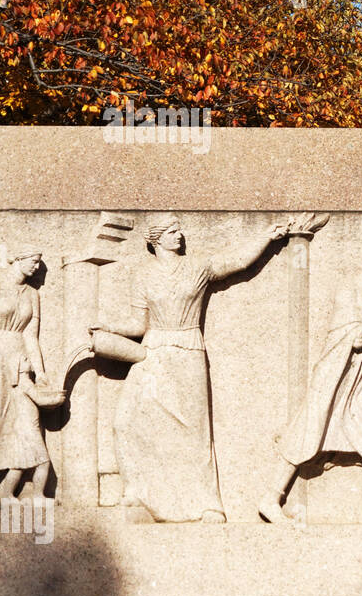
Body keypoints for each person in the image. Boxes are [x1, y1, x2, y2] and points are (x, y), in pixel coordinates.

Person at [92, 214, 290, 522]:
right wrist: (107, 326)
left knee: (193, 433)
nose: (179, 235)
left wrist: (267, 236)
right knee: (126, 422)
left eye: (179, 230)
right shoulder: (142, 275)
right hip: (154, 352)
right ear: (155, 239)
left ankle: (206, 505)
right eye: (172, 231)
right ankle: (136, 494)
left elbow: (236, 261)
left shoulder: (197, 267)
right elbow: (138, 324)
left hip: (188, 351)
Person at [260, 250, 362, 524]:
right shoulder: (350, 292)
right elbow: (357, 339)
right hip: (335, 373)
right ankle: (270, 499)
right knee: (306, 434)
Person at [0, 251, 52, 498]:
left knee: (21, 425)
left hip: (19, 361)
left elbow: (31, 336)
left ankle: (6, 492)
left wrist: (41, 372)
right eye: (32, 261)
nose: (36, 267)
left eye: (38, 263)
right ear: (17, 259)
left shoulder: (33, 295)